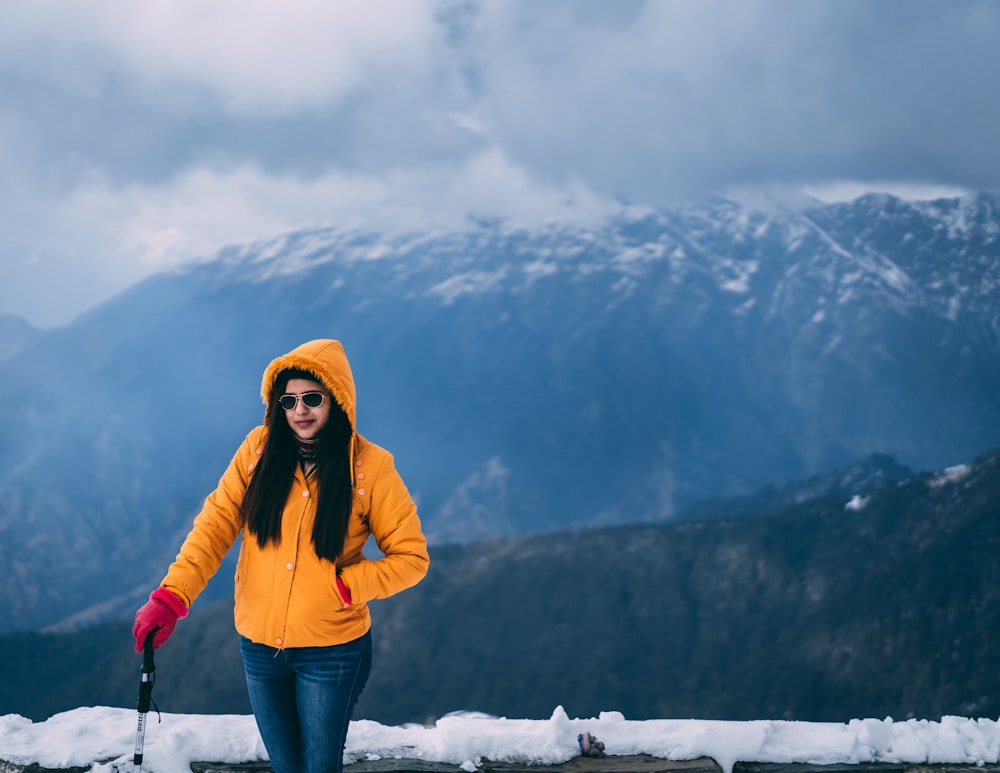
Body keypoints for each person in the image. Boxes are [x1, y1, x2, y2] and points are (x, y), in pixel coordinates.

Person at [133, 339, 430, 773]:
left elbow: (411, 558)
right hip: (258, 645)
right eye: (288, 400)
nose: (300, 410)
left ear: (338, 401)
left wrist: (348, 585)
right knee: (286, 768)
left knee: (317, 767)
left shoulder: (370, 467)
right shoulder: (258, 450)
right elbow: (214, 526)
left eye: (312, 398)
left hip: (332, 650)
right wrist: (171, 597)